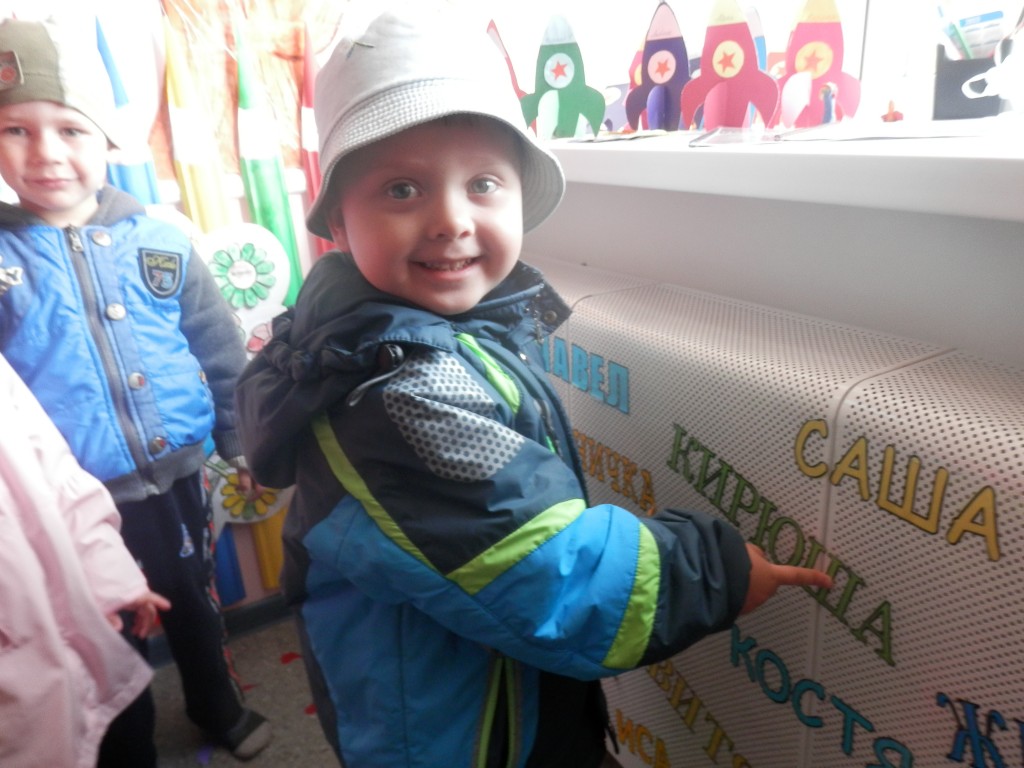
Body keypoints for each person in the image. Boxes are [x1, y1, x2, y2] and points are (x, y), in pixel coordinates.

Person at [235, 6, 833, 768]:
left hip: (496, 687)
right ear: (340, 222)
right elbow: (552, 576)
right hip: (459, 741)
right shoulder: (390, 396)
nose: (451, 219)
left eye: (482, 183)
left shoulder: (431, 333)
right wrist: (715, 570)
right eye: (402, 189)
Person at [0, 18, 270, 765]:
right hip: (70, 500)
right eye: (15, 130)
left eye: (70, 130)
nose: (45, 152)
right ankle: (125, 750)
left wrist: (243, 444)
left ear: (107, 140)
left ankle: (217, 705)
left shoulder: (161, 239)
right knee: (105, 627)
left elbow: (220, 352)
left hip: (176, 479)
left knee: (192, 600)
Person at [0, 351, 171, 768]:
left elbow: (59, 474)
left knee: (127, 737)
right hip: (20, 691)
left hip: (87, 623)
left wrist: (112, 578)